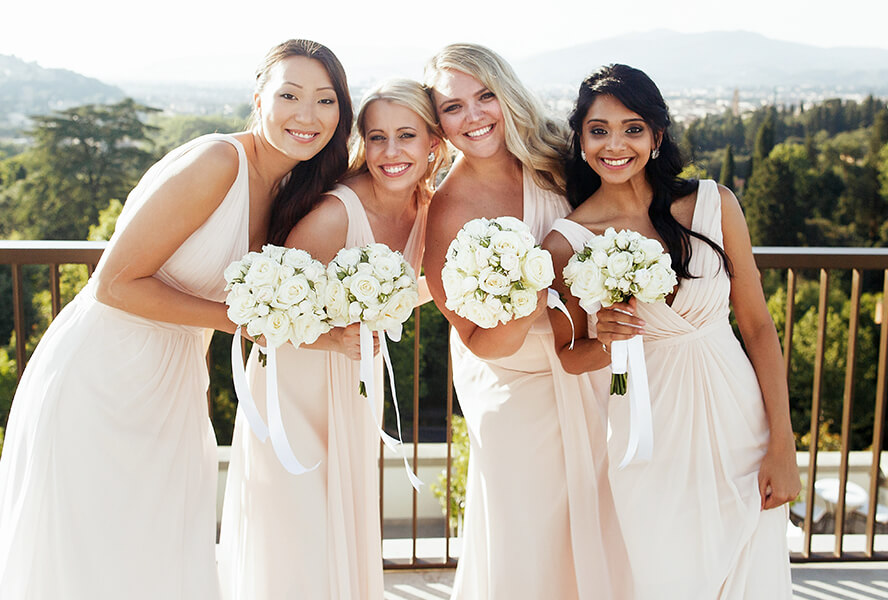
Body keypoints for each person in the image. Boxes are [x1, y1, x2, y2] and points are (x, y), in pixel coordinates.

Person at [0, 39, 352, 600]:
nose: (307, 115)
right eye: (290, 94)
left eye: (325, 100)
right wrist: (240, 321)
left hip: (174, 382)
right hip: (103, 375)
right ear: (258, 97)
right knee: (89, 553)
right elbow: (114, 285)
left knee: (157, 548)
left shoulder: (291, 188)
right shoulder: (218, 162)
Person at [544, 63, 801, 599]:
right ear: (581, 140)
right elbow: (570, 356)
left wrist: (783, 443)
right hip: (647, 432)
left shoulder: (714, 204)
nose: (616, 144)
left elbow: (757, 327)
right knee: (667, 578)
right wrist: (605, 341)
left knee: (751, 573)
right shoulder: (566, 242)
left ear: (657, 136)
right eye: (599, 130)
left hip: (741, 424)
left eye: (632, 128)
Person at [217, 78, 446, 600]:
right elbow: (270, 318)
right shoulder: (333, 215)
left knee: (341, 523)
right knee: (298, 531)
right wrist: (334, 340)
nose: (390, 152)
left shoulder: (429, 208)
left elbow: (424, 284)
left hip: (351, 384)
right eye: (376, 137)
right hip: (295, 384)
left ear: (433, 144)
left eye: (406, 136)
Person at [422, 43, 633, 600]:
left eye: (485, 95)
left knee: (610, 520)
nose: (474, 116)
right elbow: (476, 340)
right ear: (438, 121)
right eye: (453, 107)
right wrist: (528, 299)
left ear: (506, 91)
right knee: (528, 534)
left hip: (592, 363)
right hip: (512, 384)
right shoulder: (444, 210)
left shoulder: (562, 160)